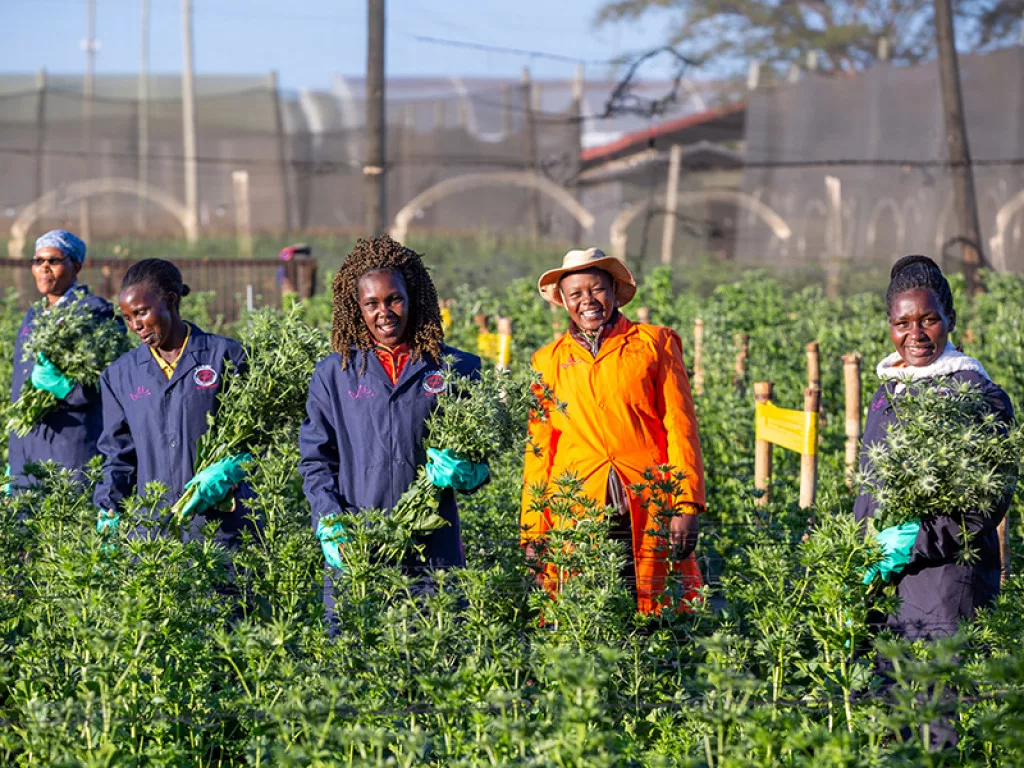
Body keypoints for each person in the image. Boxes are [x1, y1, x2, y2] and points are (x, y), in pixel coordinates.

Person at [855, 254, 1015, 750]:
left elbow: (987, 501)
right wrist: (859, 554)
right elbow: (870, 486)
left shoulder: (979, 395)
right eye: (902, 323)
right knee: (889, 728)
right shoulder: (887, 392)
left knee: (939, 729)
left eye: (928, 319)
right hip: (885, 590)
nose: (915, 334)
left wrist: (914, 540)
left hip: (945, 586)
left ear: (949, 318)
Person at [298, 235, 483, 622]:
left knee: (437, 659)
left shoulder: (455, 368)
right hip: (359, 547)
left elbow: (480, 453)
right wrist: (328, 520)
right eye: (372, 304)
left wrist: (470, 471)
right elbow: (316, 460)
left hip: (433, 548)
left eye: (394, 298)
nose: (385, 312)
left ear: (412, 296)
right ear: (358, 308)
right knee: (356, 663)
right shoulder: (335, 374)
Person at [521, 247, 705, 614]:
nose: (588, 301)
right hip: (575, 502)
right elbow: (539, 450)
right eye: (576, 294)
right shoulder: (547, 360)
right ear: (564, 301)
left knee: (658, 604)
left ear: (614, 291)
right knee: (582, 611)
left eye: (597, 290)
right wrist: (533, 529)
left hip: (649, 496)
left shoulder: (655, 343)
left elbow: (680, 426)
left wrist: (687, 503)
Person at [94, 259, 255, 546]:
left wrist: (234, 467)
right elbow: (118, 456)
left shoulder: (226, 356)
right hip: (153, 534)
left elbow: (260, 436)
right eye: (128, 318)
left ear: (169, 300)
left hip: (219, 529)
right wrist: (108, 508)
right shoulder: (120, 376)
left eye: (142, 312)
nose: (136, 325)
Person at [8, 230, 123, 492]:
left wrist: (66, 388)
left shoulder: (95, 313)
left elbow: (108, 382)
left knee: (66, 523)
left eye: (54, 261)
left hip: (69, 446)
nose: (44, 268)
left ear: (76, 266)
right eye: (38, 261)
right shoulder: (34, 315)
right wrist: (14, 455)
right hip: (27, 450)